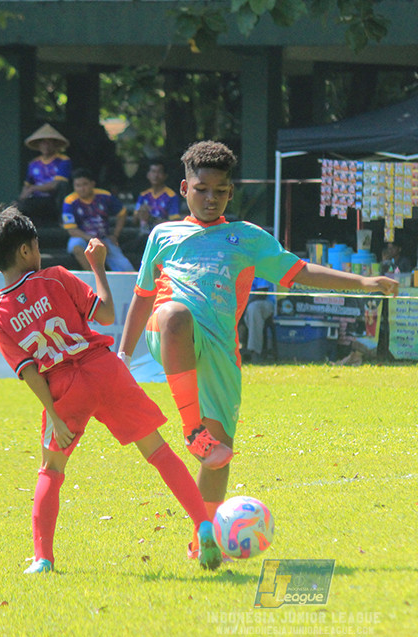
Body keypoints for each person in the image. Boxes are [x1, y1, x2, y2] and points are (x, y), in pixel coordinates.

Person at [117, 141, 398, 557]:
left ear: (231, 193)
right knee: (175, 314)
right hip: (171, 333)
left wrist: (364, 282)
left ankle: (204, 540)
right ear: (184, 188)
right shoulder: (163, 234)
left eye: (220, 191)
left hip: (219, 351)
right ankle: (191, 429)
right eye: (201, 189)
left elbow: (300, 271)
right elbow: (143, 297)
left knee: (219, 455)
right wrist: (123, 358)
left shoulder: (247, 238)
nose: (210, 198)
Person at [0, 206, 221, 574]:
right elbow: (105, 315)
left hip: (64, 387)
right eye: (36, 245)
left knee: (51, 470)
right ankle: (203, 525)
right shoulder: (56, 277)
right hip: (104, 370)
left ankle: (43, 559)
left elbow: (29, 372)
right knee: (157, 450)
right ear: (25, 250)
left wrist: (55, 416)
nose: (39, 251)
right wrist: (98, 267)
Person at [61, 168, 134, 272]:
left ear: (92, 184)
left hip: (104, 238)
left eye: (85, 184)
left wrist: (115, 235)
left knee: (127, 269)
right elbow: (72, 230)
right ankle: (93, 276)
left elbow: (122, 213)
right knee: (75, 246)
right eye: (78, 185)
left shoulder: (104, 196)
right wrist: (93, 240)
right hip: (82, 238)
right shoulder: (70, 201)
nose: (81, 189)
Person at [18, 123, 73, 224]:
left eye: (49, 143)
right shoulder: (33, 163)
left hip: (53, 199)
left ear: (55, 145)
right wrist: (20, 199)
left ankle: (61, 221)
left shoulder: (63, 161)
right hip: (36, 199)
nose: (46, 146)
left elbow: (56, 184)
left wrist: (33, 188)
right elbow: (27, 185)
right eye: (43, 143)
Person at [133, 159, 182, 233]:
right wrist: (140, 214)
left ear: (165, 176)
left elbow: (174, 223)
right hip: (144, 234)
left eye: (159, 172)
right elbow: (134, 221)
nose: (156, 175)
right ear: (148, 175)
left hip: (164, 235)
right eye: (153, 172)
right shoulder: (143, 195)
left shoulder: (172, 196)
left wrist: (150, 218)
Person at [241, 276, 274, 363]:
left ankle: (254, 351)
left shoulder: (261, 270)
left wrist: (245, 305)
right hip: (244, 303)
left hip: (264, 303)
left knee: (253, 308)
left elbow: (262, 293)